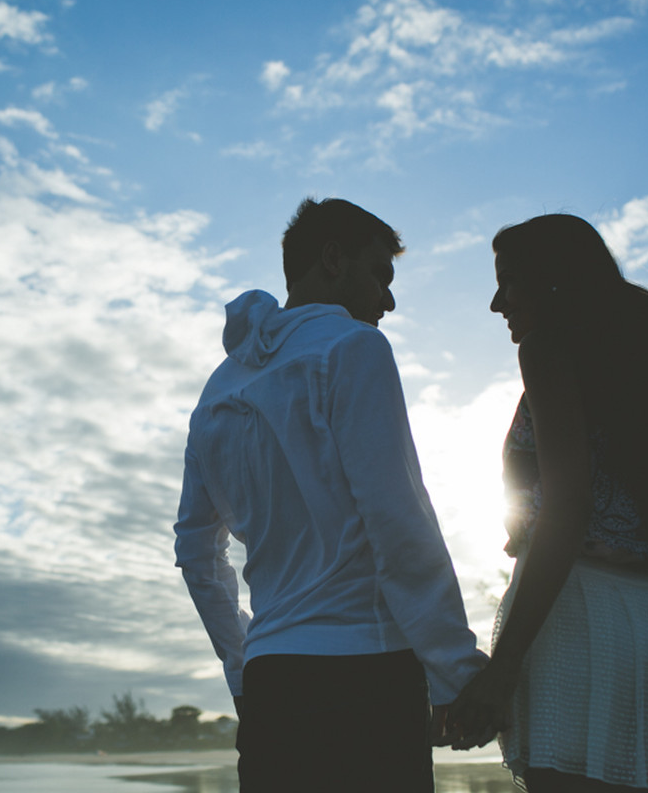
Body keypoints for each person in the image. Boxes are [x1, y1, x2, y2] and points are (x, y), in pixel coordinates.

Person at [174, 197, 487, 792]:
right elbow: (398, 524)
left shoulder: (217, 390)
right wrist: (456, 673)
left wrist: (244, 668)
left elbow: (195, 552)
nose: (388, 300)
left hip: (271, 686)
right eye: (380, 275)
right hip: (364, 677)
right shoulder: (353, 348)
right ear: (334, 259)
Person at [447, 213, 648, 792]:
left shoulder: (545, 349)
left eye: (507, 280)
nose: (496, 303)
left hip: (576, 627)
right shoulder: (646, 382)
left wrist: (501, 671)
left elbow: (568, 507)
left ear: (552, 283)